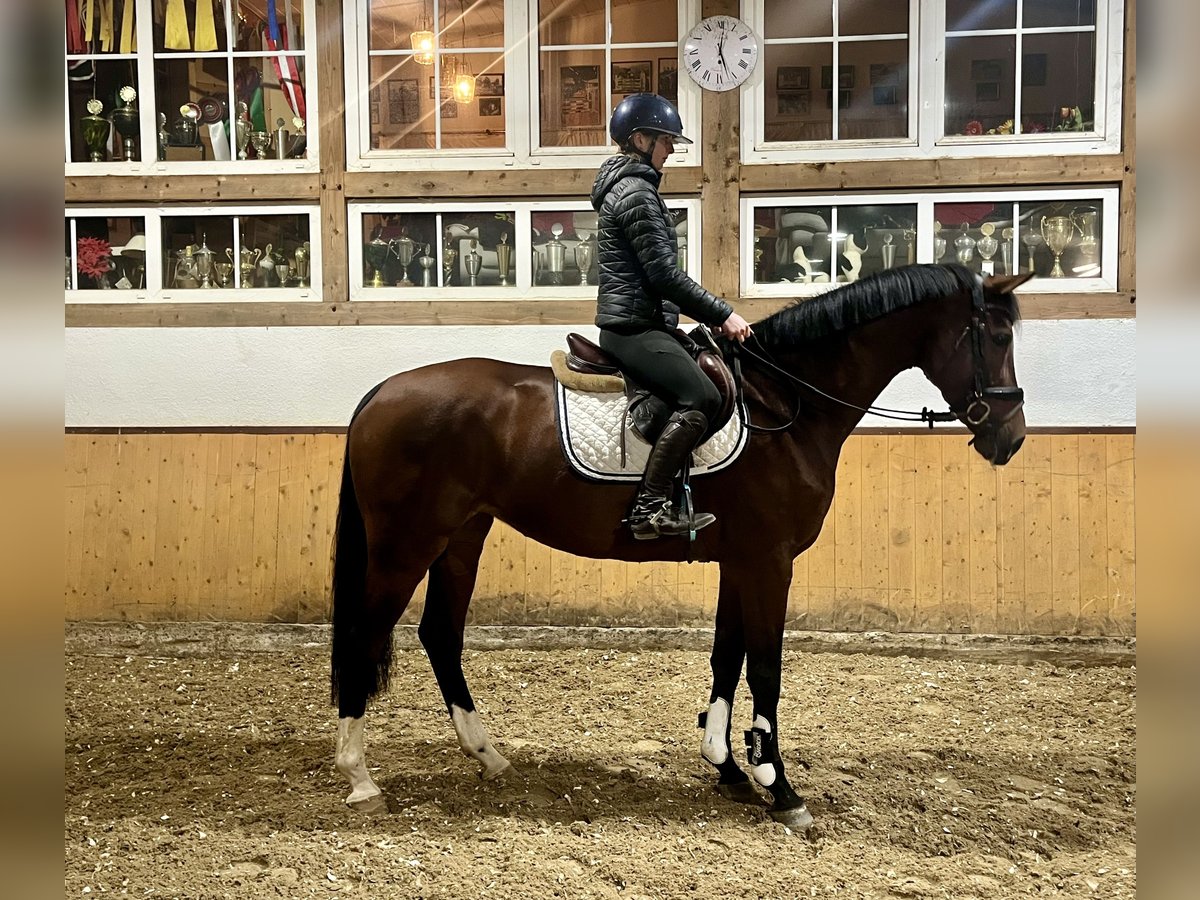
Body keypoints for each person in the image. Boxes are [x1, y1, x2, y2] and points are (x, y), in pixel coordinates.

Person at [591, 93, 753, 540]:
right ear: (640, 139)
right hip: (633, 330)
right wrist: (723, 314)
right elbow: (663, 274)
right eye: (665, 142)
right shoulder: (636, 193)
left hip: (646, 324)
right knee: (700, 395)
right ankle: (648, 511)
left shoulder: (633, 188)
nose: (671, 151)